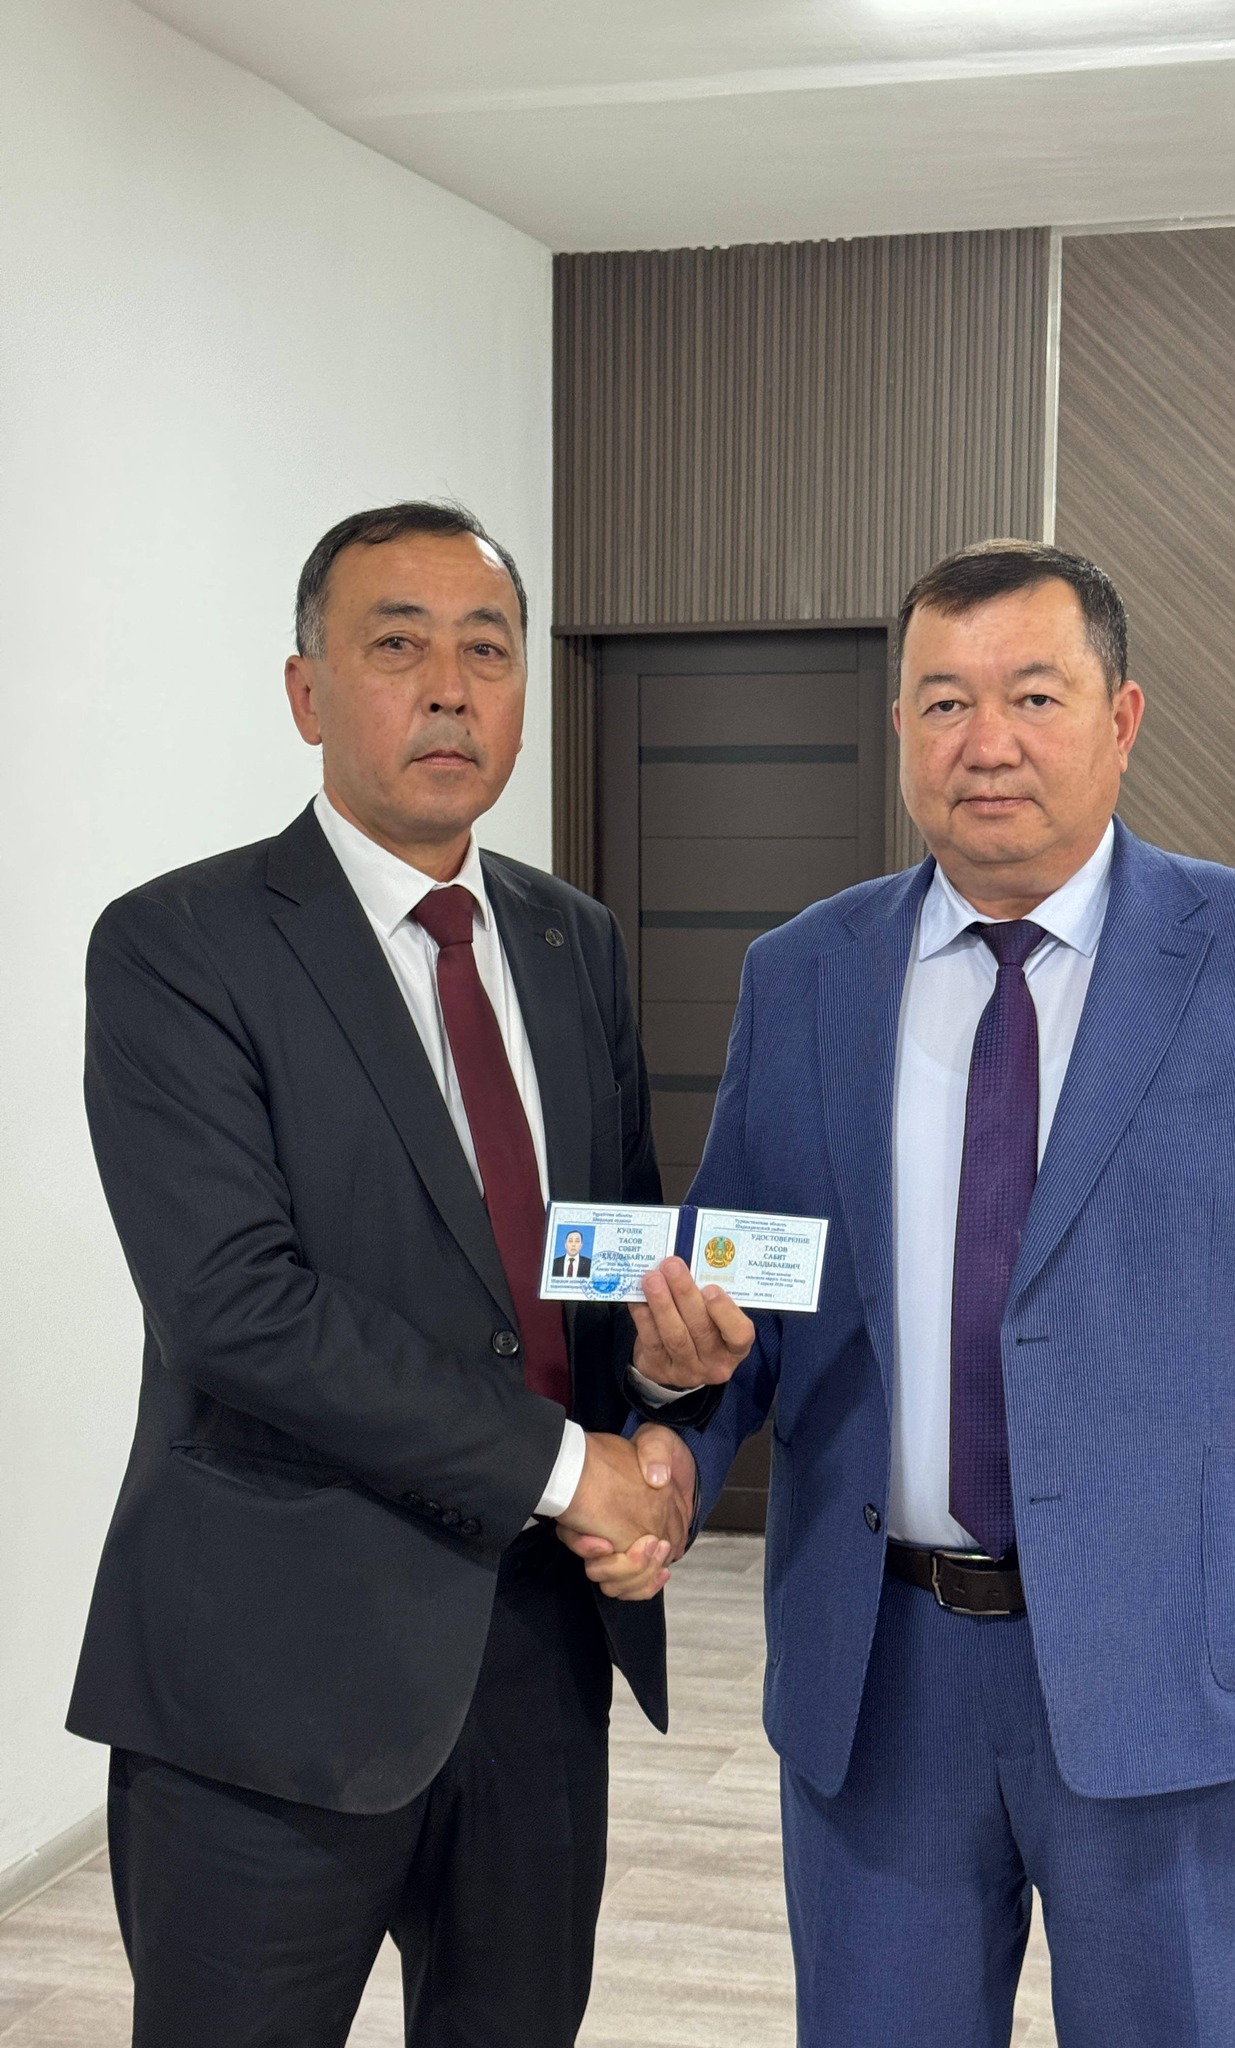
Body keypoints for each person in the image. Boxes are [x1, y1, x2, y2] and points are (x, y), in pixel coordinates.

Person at [606, 540, 1235, 2047]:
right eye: (943, 703)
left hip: (1176, 1670)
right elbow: (742, 1298)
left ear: (1122, 719)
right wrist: (677, 1410)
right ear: (900, 731)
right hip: (882, 1679)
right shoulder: (807, 975)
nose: (984, 742)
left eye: (1034, 697)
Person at [70, 501, 695, 2048]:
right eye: (398, 646)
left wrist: (664, 1393)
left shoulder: (572, 941)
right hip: (270, 1681)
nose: (450, 690)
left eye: (488, 651)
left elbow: (602, 1251)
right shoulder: (179, 945)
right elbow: (236, 1307)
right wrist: (574, 1467)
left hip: (539, 1659)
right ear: (307, 691)